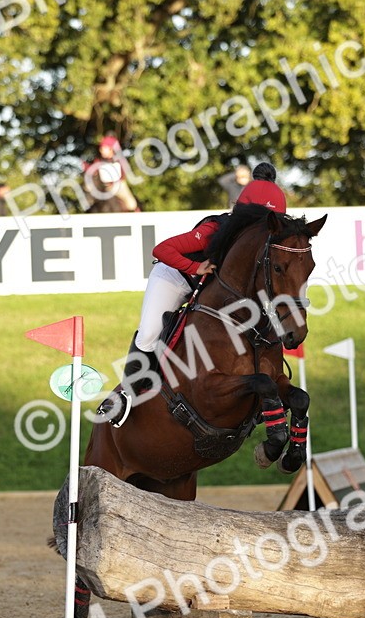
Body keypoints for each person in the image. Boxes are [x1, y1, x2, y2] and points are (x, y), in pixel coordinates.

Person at [98, 163, 287, 426]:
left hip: (208, 287)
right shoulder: (214, 229)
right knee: (150, 333)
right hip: (176, 277)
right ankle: (124, 397)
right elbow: (162, 249)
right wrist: (195, 267)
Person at [84, 135, 139, 212]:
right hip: (105, 187)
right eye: (101, 148)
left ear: (111, 149)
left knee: (132, 204)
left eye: (104, 148)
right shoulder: (98, 161)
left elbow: (123, 174)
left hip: (119, 186)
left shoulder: (119, 160)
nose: (101, 150)